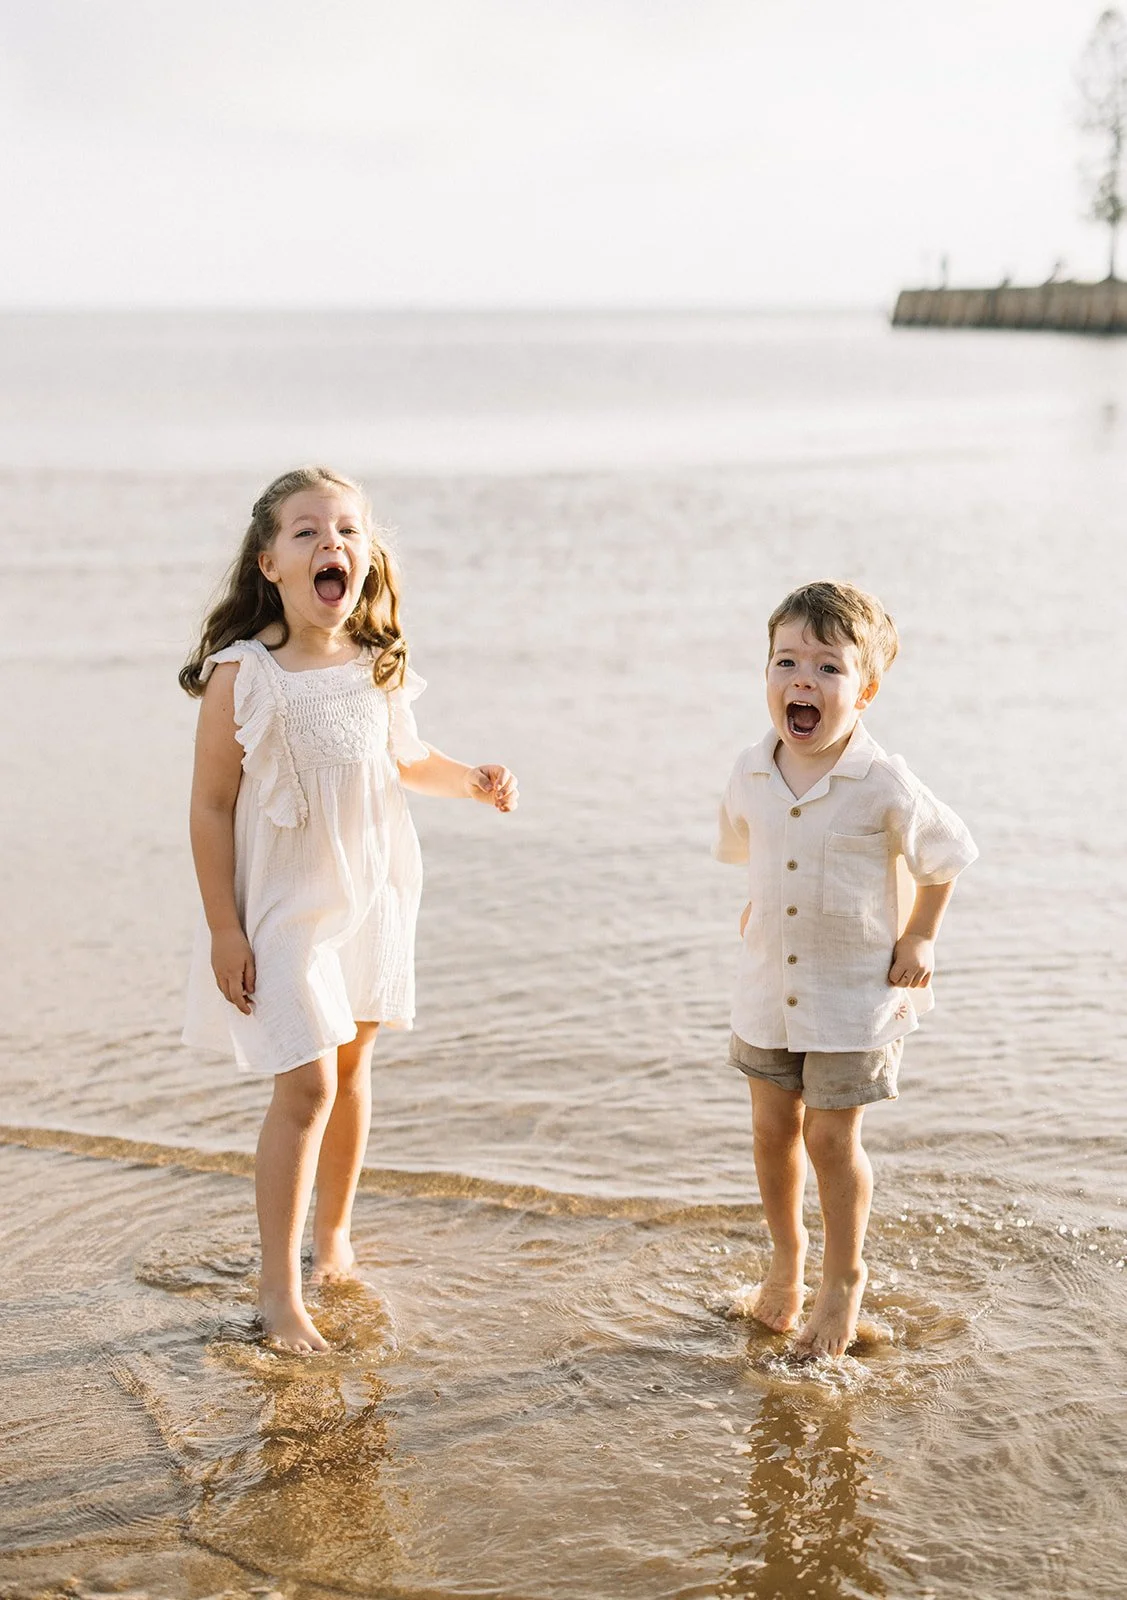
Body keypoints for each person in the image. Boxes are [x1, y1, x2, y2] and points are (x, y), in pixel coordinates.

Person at [180, 466, 518, 1354]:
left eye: (348, 531)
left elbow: (407, 759)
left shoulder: (377, 664)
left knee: (355, 1066)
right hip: (285, 908)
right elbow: (211, 805)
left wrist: (472, 782)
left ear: (366, 560)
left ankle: (332, 1238)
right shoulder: (243, 675)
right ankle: (277, 1287)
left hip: (372, 896)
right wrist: (223, 926)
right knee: (309, 1082)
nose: (332, 542)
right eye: (307, 531)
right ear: (271, 565)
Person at [714, 581, 976, 1357]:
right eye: (786, 661)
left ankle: (842, 1282)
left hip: (852, 995)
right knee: (770, 1131)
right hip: (768, 986)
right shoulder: (749, 769)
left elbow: (947, 855)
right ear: (765, 675)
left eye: (827, 668)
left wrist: (920, 938)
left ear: (863, 690)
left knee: (830, 1138)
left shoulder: (883, 782)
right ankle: (786, 1262)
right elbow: (752, 848)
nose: (802, 680)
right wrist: (756, 906)